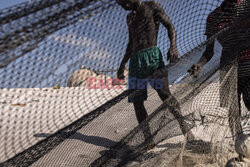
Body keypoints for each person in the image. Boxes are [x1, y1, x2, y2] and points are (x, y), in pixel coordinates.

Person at [116, 0, 194, 142]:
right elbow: (130, 43)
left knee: (165, 94)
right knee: (137, 101)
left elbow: (170, 26)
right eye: (119, 4)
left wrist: (173, 47)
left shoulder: (151, 5)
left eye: (123, 2)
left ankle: (186, 130)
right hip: (135, 62)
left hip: (152, 56)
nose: (123, 6)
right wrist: (122, 65)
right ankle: (148, 140)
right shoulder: (129, 18)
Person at [188, 0, 250, 139]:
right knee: (233, 110)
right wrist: (198, 65)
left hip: (248, 61)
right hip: (228, 68)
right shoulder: (214, 17)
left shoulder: (247, 5)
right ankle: (238, 141)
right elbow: (209, 51)